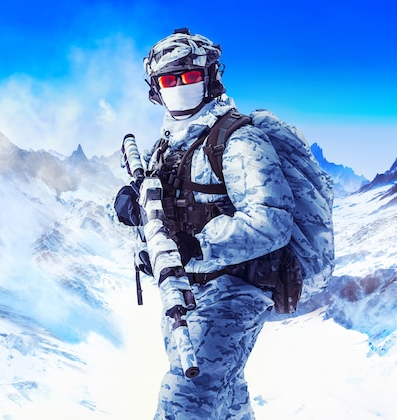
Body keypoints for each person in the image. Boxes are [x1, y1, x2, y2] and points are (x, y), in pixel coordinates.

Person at [136, 28, 296, 419]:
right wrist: (125, 206)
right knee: (225, 395)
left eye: (189, 76)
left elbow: (272, 220)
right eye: (168, 80)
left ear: (209, 77)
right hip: (187, 294)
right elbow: (159, 211)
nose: (179, 86)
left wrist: (200, 245)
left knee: (185, 401)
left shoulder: (238, 141)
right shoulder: (168, 145)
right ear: (156, 89)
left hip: (234, 291)